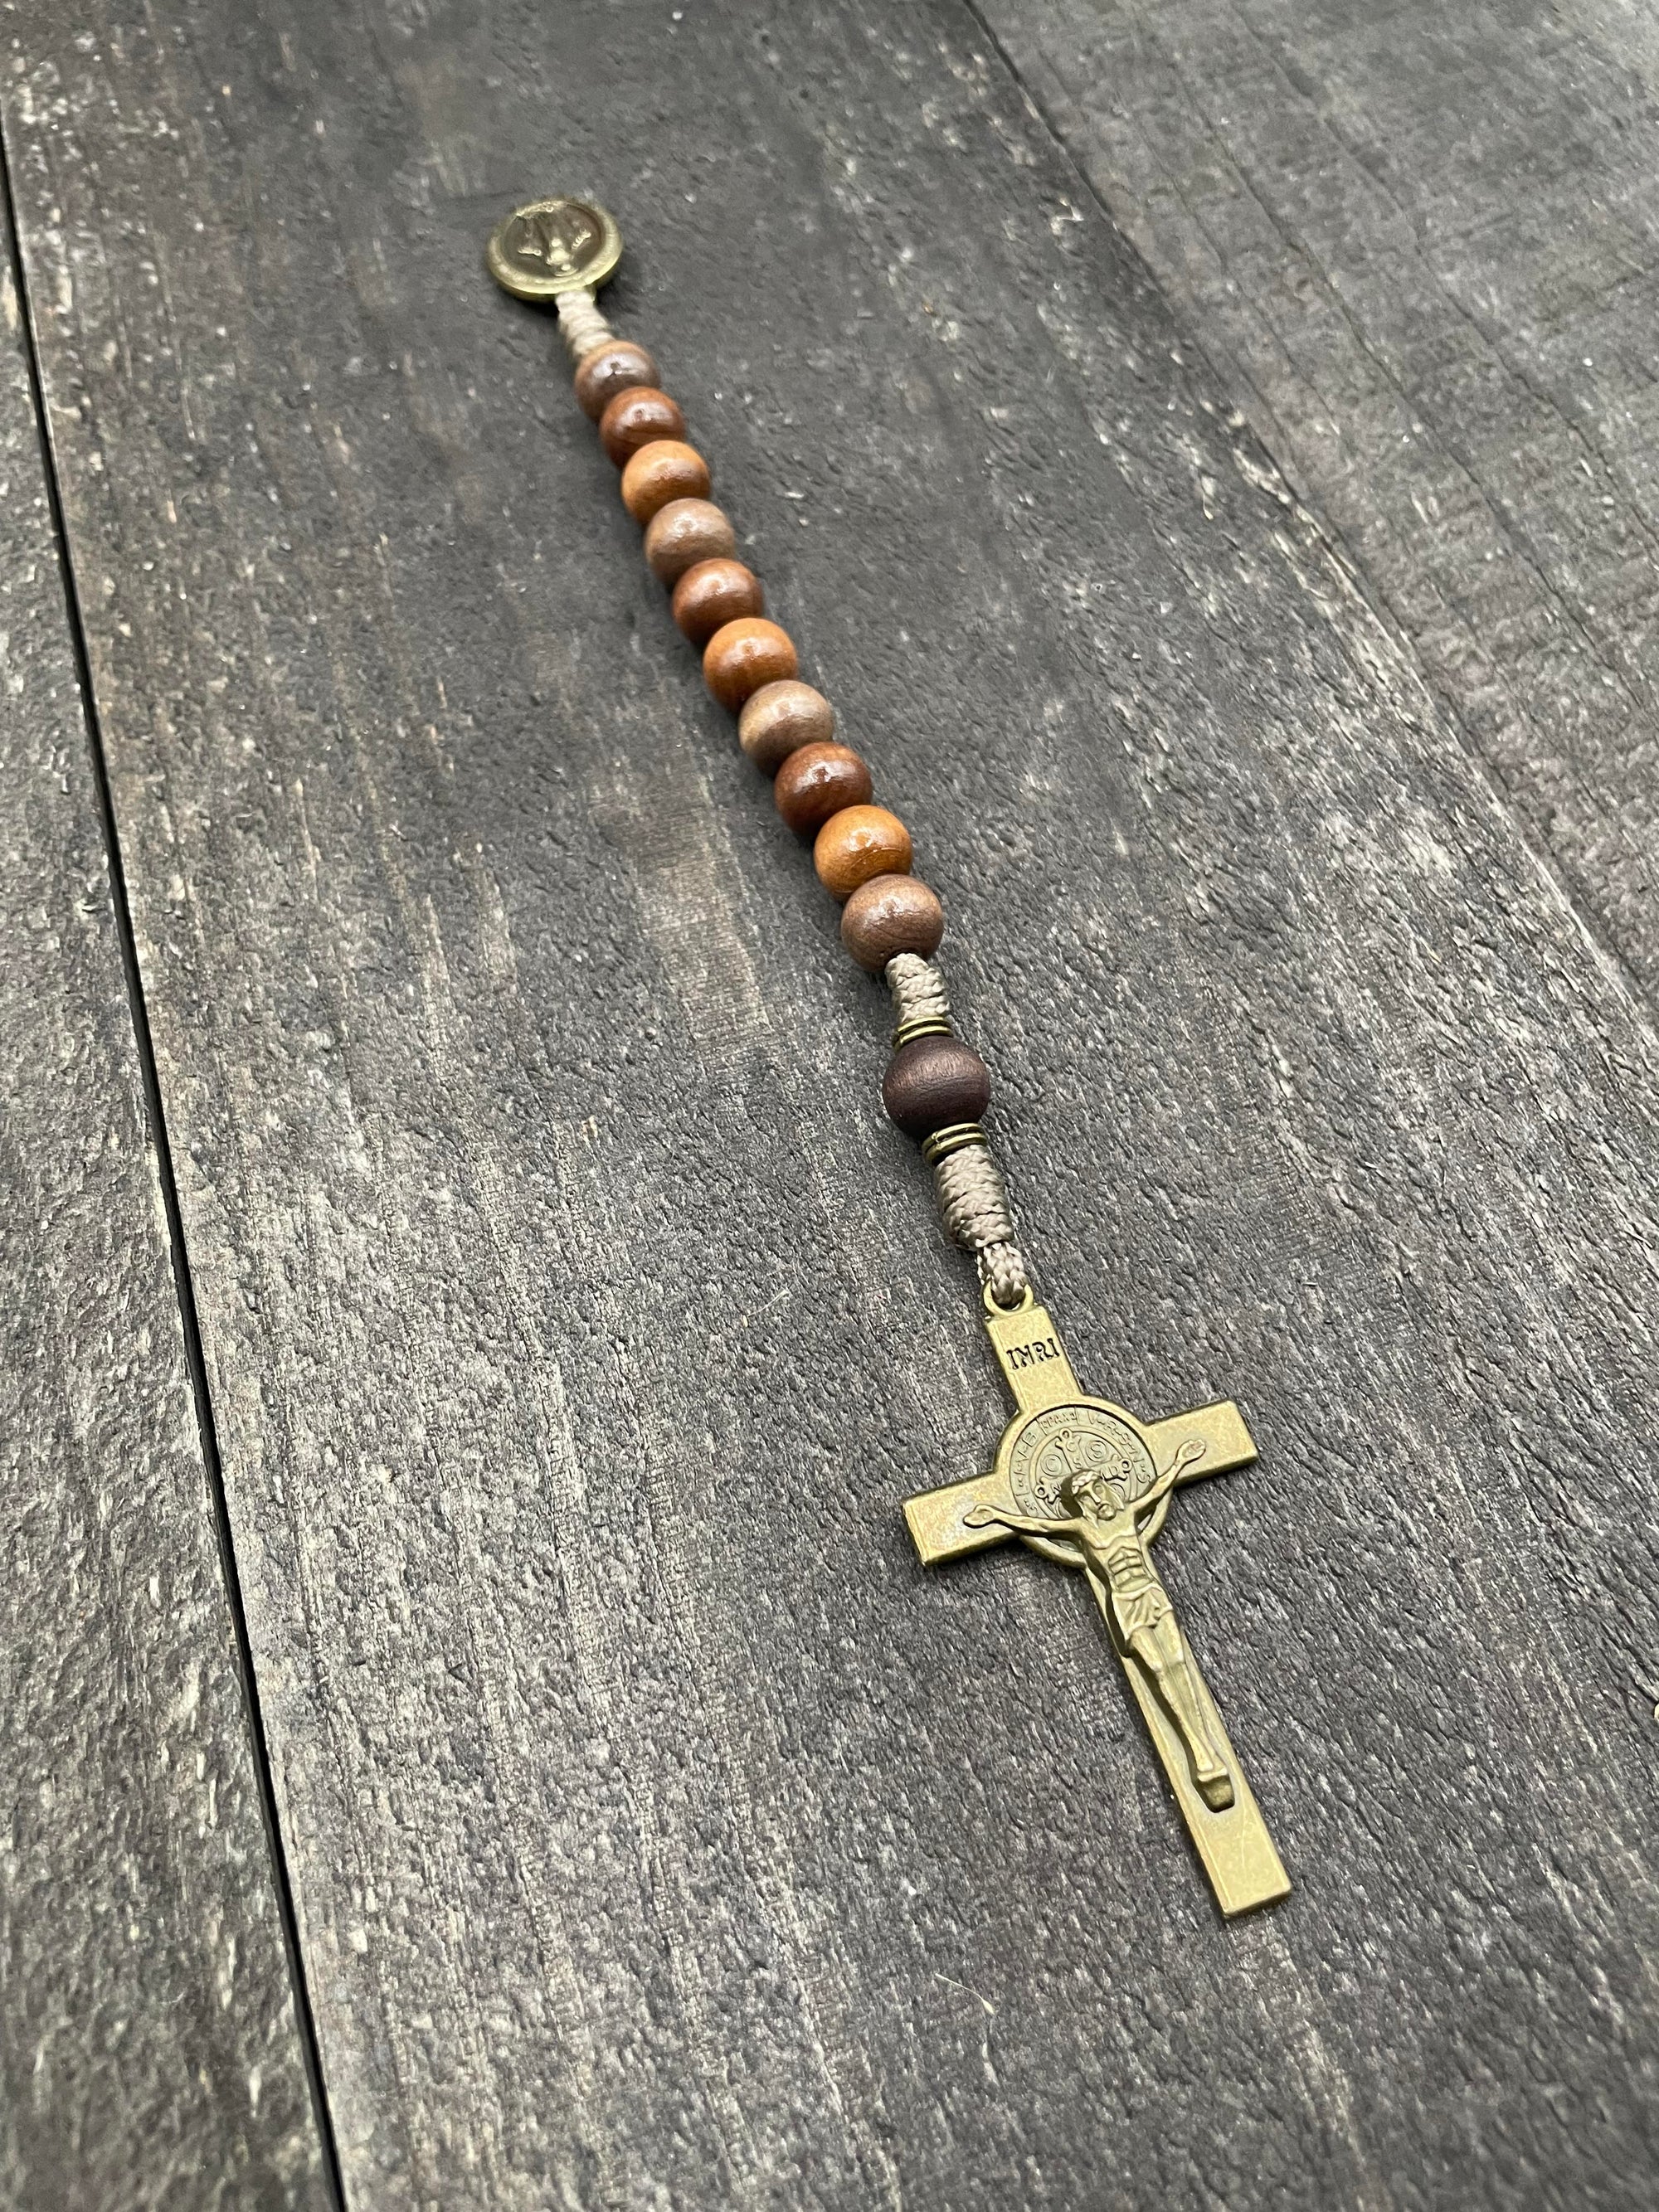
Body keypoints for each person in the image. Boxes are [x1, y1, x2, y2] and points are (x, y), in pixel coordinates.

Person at [966, 1441, 1235, 1809]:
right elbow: (1039, 1523)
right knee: (1157, 1671)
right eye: (1085, 1492)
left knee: (1179, 1664)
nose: (1095, 1495)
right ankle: (1198, 1751)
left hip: (1152, 1594)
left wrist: (1179, 1460)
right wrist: (998, 1515)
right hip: (1125, 1603)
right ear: (1078, 1503)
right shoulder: (1082, 1529)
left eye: (1097, 1485)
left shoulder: (1128, 1513)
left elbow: (1157, 1488)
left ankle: (1208, 1748)